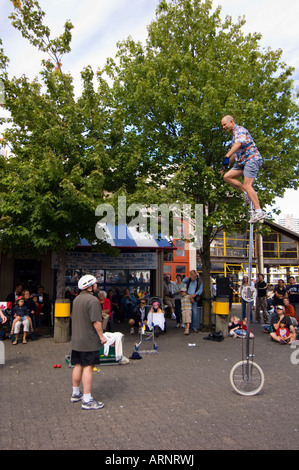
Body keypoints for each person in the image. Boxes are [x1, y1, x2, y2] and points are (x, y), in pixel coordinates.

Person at [70, 274, 107, 410]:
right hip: (88, 340)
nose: (96, 286)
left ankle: (75, 393)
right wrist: (102, 337)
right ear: (90, 286)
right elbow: (96, 321)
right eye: (95, 284)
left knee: (78, 365)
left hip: (77, 339)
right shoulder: (93, 301)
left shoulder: (76, 299)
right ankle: (87, 399)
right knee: (88, 367)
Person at [220, 115, 266, 224]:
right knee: (227, 176)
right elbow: (235, 154)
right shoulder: (234, 135)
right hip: (242, 162)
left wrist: (227, 155)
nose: (223, 127)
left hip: (252, 160)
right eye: (222, 125)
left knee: (247, 184)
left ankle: (259, 211)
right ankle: (246, 193)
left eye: (225, 124)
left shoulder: (239, 130)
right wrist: (225, 164)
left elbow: (238, 144)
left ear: (231, 122)